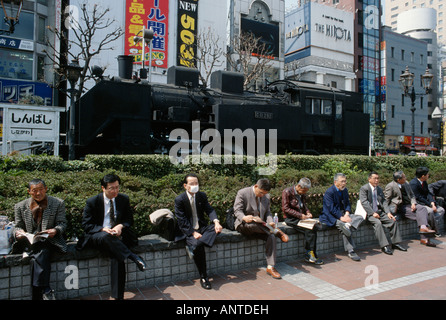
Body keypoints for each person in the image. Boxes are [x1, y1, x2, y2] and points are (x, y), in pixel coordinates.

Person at [77, 174, 147, 300]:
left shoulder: (123, 199)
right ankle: (134, 257)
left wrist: (120, 226)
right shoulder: (92, 202)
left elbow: (129, 220)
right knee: (106, 237)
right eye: (111, 188)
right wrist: (103, 229)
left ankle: (118, 296)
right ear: (103, 188)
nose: (115, 191)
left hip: (116, 237)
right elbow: (86, 225)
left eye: (117, 187)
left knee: (117, 255)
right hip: (98, 236)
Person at [13, 179, 67, 300]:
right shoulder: (20, 206)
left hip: (50, 241)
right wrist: (18, 232)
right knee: (40, 253)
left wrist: (56, 230)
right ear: (29, 192)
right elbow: (17, 226)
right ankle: (45, 289)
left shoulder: (57, 203)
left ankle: (40, 292)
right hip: (29, 241)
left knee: (41, 251)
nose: (38, 193)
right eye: (34, 191)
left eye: (41, 189)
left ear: (46, 189)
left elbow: (62, 224)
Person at [174, 173, 223, 290]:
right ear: (185, 185)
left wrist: (216, 222)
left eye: (196, 183)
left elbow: (209, 209)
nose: (195, 186)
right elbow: (181, 220)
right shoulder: (179, 199)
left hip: (202, 227)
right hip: (187, 230)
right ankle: (204, 277)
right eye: (192, 184)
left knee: (215, 229)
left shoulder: (201, 196)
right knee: (199, 246)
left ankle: (193, 247)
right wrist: (192, 232)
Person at [234, 178, 289, 279]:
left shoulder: (266, 196)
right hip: (245, 225)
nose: (262, 195)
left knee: (271, 237)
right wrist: (244, 217)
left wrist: (270, 221)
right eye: (261, 192)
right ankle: (277, 232)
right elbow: (237, 210)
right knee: (252, 225)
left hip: (261, 226)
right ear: (255, 186)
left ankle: (270, 266)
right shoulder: (242, 192)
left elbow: (268, 212)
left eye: (264, 193)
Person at [385, 170, 438, 247]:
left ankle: (423, 230)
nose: (405, 178)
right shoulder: (391, 186)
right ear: (398, 180)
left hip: (409, 205)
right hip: (400, 207)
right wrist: (387, 212)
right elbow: (386, 200)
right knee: (423, 216)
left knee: (422, 209)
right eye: (404, 177)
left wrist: (413, 203)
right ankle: (425, 238)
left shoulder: (406, 183)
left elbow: (412, 195)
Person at [319, 173, 363, 261]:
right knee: (343, 226)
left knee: (360, 217)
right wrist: (341, 218)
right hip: (331, 216)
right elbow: (330, 209)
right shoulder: (329, 192)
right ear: (335, 182)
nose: (344, 183)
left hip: (343, 214)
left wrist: (347, 213)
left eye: (345, 181)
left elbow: (347, 203)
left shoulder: (344, 190)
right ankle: (351, 251)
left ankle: (348, 225)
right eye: (342, 181)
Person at [359, 171, 406, 255]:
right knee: (378, 223)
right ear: (369, 179)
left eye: (378, 178)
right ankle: (384, 246)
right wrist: (372, 213)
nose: (377, 180)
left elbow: (384, 201)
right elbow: (364, 202)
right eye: (375, 178)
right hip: (369, 213)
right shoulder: (364, 188)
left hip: (379, 212)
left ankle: (395, 243)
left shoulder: (379, 189)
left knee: (392, 221)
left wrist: (388, 212)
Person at [281, 177, 323, 265]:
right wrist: (300, 215)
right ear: (299, 186)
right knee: (309, 229)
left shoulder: (302, 194)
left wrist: (308, 213)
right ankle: (310, 254)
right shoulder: (287, 192)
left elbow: (304, 205)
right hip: (291, 219)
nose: (304, 193)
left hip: (300, 218)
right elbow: (285, 208)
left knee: (314, 227)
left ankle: (311, 254)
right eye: (304, 191)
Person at [409, 167, 445, 236]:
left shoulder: (424, 182)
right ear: (423, 176)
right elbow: (418, 197)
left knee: (441, 210)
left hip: (427, 202)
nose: (428, 175)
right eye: (427, 174)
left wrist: (432, 202)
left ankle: (428, 224)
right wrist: (430, 205)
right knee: (430, 211)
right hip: (420, 203)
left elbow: (428, 193)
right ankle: (434, 230)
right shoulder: (413, 184)